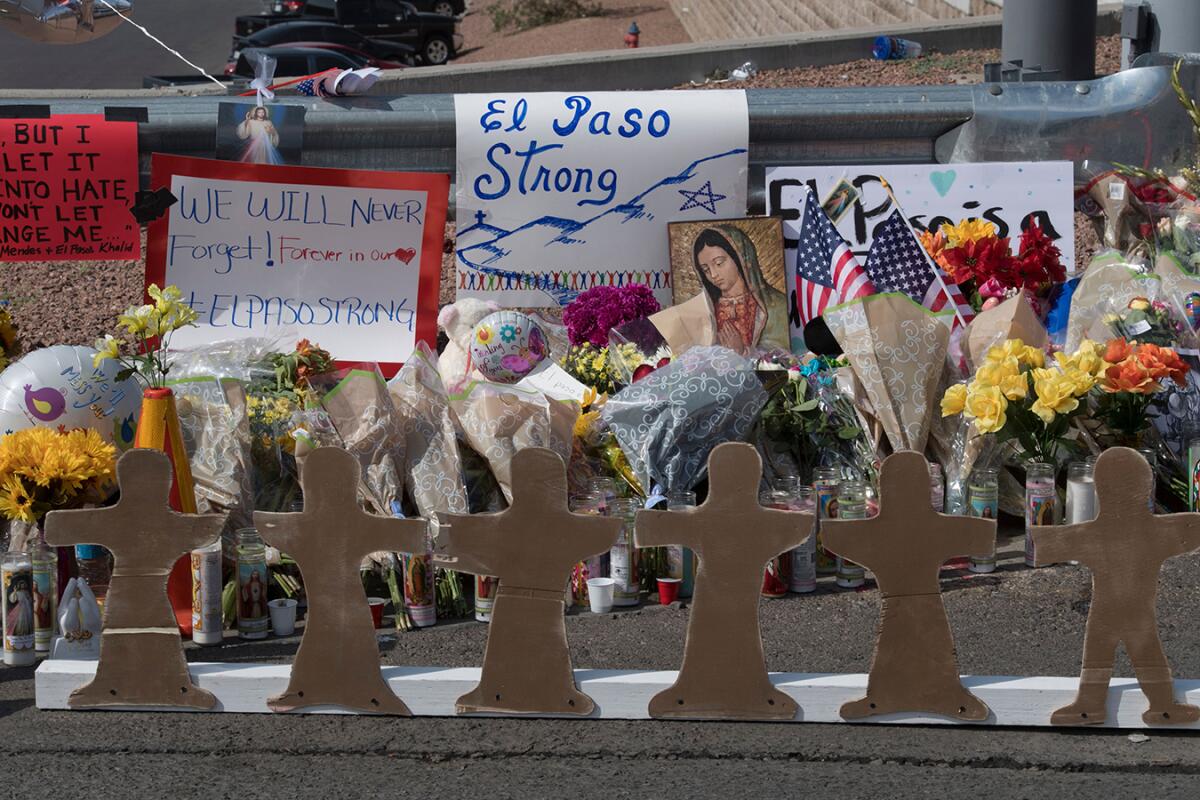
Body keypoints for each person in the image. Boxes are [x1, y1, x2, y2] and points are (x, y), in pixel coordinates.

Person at [692, 226, 789, 355]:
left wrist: (743, 352)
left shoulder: (776, 305)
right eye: (705, 270)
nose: (713, 274)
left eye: (719, 263)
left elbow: (784, 357)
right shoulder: (704, 312)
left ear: (740, 258)